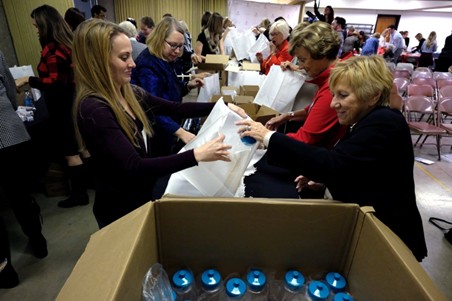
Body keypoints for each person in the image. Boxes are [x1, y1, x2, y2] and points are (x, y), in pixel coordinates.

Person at [237, 55, 428, 262]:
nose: (334, 104)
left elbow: (334, 164)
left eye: (343, 96)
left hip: (389, 237)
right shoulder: (365, 119)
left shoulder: (385, 122)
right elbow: (355, 167)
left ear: (373, 96)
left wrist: (268, 137)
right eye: (334, 95)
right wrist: (324, 181)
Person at [72, 19, 244, 228]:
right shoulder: (94, 109)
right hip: (119, 208)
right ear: (98, 62)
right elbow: (134, 166)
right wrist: (197, 155)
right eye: (124, 57)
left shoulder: (128, 92)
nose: (132, 64)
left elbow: (174, 108)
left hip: (139, 195)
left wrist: (223, 106)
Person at [246, 22, 348, 199]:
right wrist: (289, 116)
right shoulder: (329, 80)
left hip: (312, 168)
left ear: (322, 55)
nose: (300, 66)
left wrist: (265, 136)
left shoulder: (333, 88)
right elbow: (314, 108)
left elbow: (304, 140)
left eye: (302, 60)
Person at [15, 4, 89, 208]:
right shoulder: (68, 43)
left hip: (62, 105)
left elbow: (55, 83)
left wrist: (29, 79)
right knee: (81, 147)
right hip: (74, 100)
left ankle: (79, 195)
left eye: (37, 26)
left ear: (45, 25)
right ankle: (90, 185)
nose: (36, 30)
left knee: (70, 151)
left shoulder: (53, 49)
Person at [0, 50, 47, 289]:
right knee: (20, 195)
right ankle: (38, 241)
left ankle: (5, 271)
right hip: (9, 131)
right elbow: (9, 87)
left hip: (7, 133)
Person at [131, 17, 205, 156]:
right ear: (160, 39)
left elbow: (168, 90)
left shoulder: (164, 58)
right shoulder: (148, 65)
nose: (177, 51)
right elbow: (152, 108)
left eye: (180, 46)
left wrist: (187, 86)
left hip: (168, 125)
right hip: (157, 131)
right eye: (173, 45)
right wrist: (180, 131)